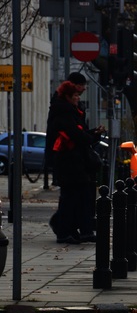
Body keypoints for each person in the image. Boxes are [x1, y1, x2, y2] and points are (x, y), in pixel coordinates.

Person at [49, 81, 105, 244]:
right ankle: (64, 230)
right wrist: (91, 136)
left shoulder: (70, 111)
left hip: (75, 162)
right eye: (75, 95)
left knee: (80, 197)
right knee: (71, 198)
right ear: (67, 96)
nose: (78, 98)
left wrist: (93, 133)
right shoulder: (64, 113)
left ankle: (80, 230)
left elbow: (80, 133)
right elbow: (76, 135)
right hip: (70, 163)